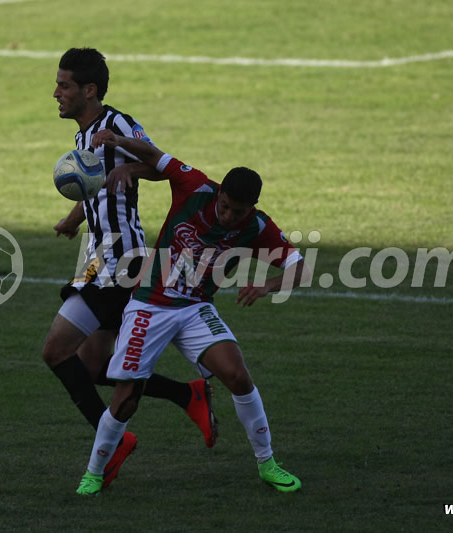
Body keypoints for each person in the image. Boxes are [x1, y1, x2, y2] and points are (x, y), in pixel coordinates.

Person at [74, 128, 312, 495]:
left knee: (237, 375)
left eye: (239, 212)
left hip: (195, 308)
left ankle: (268, 464)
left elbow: (301, 267)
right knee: (126, 399)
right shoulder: (194, 186)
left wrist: (266, 287)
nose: (230, 216)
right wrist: (120, 142)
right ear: (219, 194)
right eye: (226, 206)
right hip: (150, 304)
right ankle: (93, 472)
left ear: (252, 209)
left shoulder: (258, 226)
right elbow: (156, 156)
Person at [43, 48, 218, 490]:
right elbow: (94, 186)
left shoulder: (116, 123)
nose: (56, 93)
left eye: (64, 86)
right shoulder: (83, 139)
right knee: (98, 367)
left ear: (90, 90)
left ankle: (113, 440)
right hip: (96, 259)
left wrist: (131, 165)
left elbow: (162, 164)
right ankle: (187, 394)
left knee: (57, 351)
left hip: (123, 259)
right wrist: (73, 218)